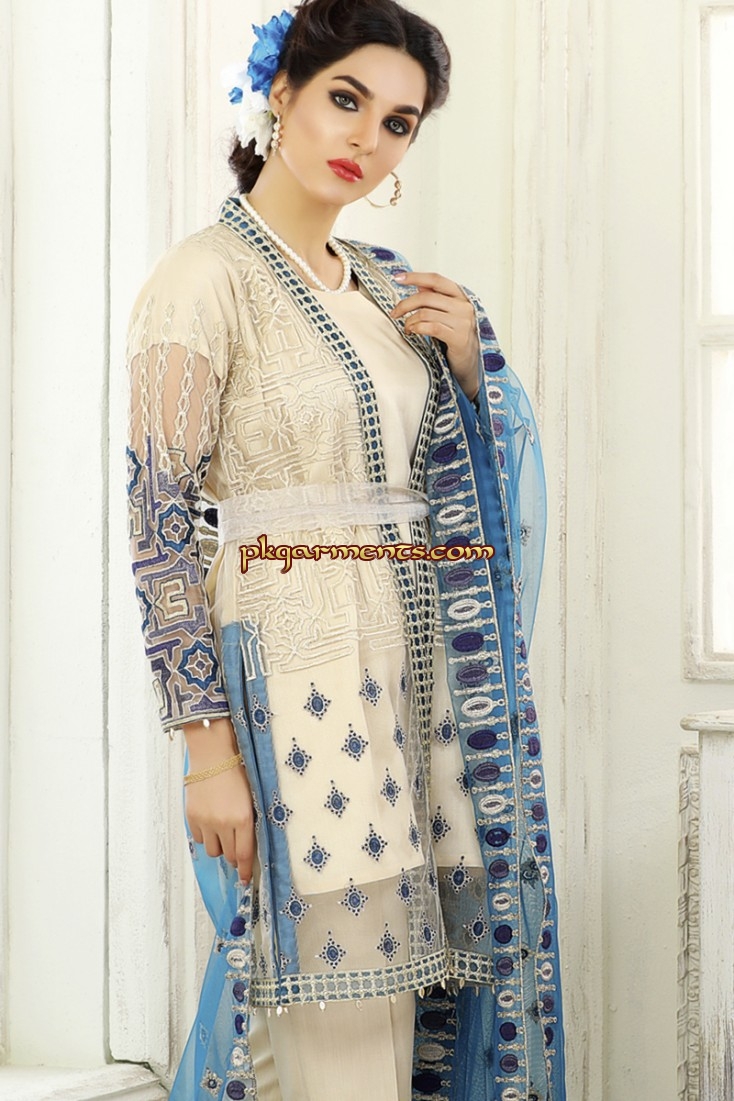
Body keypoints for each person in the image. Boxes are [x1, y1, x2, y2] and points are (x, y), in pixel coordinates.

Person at [126, 1, 567, 1098]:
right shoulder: (202, 280)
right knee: (329, 1017)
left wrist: (469, 372)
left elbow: (469, 470)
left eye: (398, 122)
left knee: (409, 1008)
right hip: (296, 679)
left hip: (419, 691)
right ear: (280, 93)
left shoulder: (389, 285)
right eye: (346, 98)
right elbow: (159, 525)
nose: (367, 138)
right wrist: (207, 755)